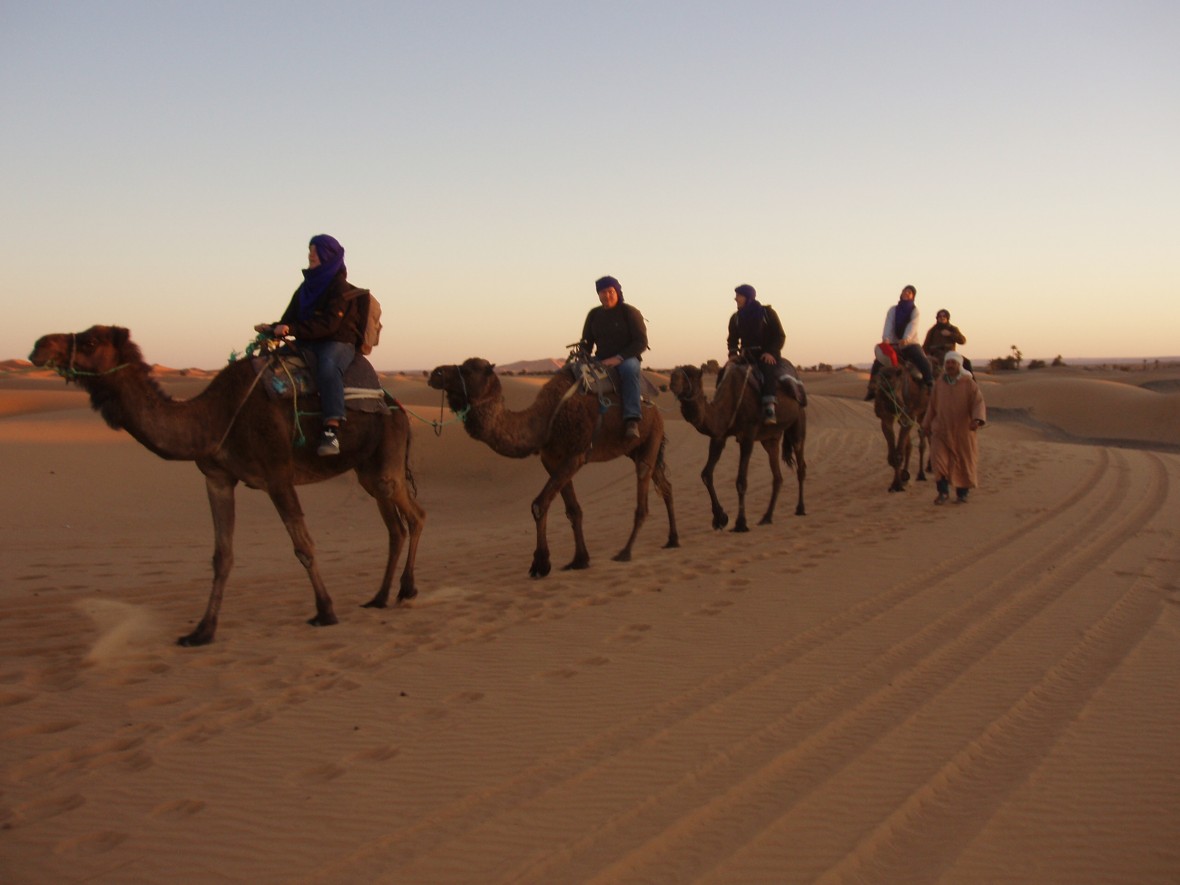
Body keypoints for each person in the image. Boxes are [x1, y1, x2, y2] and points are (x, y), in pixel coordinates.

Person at [255, 234, 365, 456]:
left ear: (329, 256)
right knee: (264, 362)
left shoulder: (340, 288)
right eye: (310, 250)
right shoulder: (306, 288)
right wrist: (272, 327)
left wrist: (291, 330)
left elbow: (329, 325)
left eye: (316, 251)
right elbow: (289, 319)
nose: (310, 255)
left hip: (337, 342)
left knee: (327, 367)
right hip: (307, 341)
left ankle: (331, 430)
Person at [579, 275, 649, 439]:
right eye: (602, 292)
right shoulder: (594, 314)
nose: (607, 295)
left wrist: (618, 358)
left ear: (617, 292)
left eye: (610, 291)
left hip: (626, 358)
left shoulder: (629, 312)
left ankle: (632, 419)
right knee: (575, 372)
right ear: (598, 294)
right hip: (601, 358)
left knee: (630, 370)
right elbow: (587, 342)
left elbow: (641, 342)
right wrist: (582, 355)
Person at [921, 351, 987, 504]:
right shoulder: (940, 383)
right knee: (939, 461)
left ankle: (962, 494)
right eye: (948, 363)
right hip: (941, 430)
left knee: (963, 461)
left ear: (959, 365)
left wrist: (977, 419)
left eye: (953, 363)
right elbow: (932, 406)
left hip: (963, 430)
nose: (950, 365)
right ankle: (942, 493)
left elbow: (978, 403)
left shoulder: (968, 383)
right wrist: (925, 425)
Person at [726, 284, 786, 424]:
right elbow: (732, 339)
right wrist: (733, 354)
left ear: (747, 297)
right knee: (726, 372)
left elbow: (779, 335)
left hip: (765, 354)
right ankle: (722, 406)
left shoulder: (767, 313)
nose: (736, 299)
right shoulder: (736, 318)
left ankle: (769, 408)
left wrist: (771, 352)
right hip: (745, 355)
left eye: (738, 296)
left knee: (767, 371)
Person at [865, 284, 933, 400]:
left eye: (909, 292)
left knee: (923, 361)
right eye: (904, 291)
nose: (906, 293)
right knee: (878, 362)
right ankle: (872, 387)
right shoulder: (893, 310)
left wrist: (906, 339)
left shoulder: (914, 311)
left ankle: (930, 384)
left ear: (913, 296)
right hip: (894, 343)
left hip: (910, 343)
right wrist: (886, 339)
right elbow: (889, 325)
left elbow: (913, 326)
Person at [922, 308, 973, 373]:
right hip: (936, 355)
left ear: (947, 318)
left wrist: (950, 334)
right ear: (937, 318)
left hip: (951, 354)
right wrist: (929, 356)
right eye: (940, 316)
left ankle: (972, 382)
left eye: (944, 316)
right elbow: (925, 346)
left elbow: (962, 341)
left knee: (967, 363)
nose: (942, 318)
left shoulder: (952, 329)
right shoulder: (932, 330)